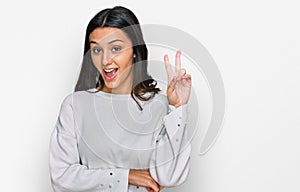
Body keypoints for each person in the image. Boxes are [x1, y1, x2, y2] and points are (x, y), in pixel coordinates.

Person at [49, 6, 192, 192]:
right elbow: (61, 178)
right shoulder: (75, 105)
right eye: (97, 50)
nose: (106, 60)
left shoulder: (160, 106)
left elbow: (169, 176)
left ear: (134, 50)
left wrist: (178, 108)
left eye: (115, 48)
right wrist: (126, 176)